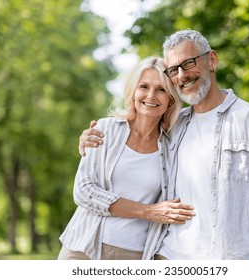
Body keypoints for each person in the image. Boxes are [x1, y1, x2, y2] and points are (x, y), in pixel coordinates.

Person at [78, 29, 249, 260]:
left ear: (212, 61)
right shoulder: (173, 127)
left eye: (188, 63)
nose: (182, 76)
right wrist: (91, 139)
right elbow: (135, 141)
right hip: (166, 258)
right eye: (173, 70)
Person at [58, 56, 195, 260]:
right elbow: (83, 191)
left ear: (171, 99)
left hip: (135, 254)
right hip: (83, 247)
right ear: (133, 91)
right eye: (144, 86)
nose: (151, 96)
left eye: (161, 89)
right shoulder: (105, 130)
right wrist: (148, 211)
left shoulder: (174, 144)